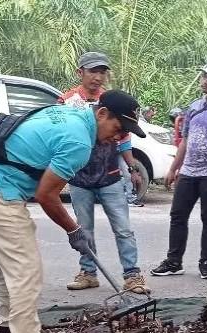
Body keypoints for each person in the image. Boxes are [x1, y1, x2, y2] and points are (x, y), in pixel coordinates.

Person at [0, 90, 146, 333]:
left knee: (8, 264)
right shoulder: (78, 142)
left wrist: (73, 230)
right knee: (25, 270)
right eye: (118, 129)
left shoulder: (71, 114)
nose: (118, 138)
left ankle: (8, 326)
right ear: (102, 113)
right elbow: (47, 195)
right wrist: (74, 231)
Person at [59, 52, 150, 294]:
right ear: (81, 73)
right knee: (84, 229)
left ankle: (132, 276)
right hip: (80, 177)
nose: (98, 77)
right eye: (93, 71)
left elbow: (123, 141)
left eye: (102, 72)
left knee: (123, 228)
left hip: (109, 175)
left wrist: (132, 168)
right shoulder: (67, 101)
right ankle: (88, 272)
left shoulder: (113, 102)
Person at [150, 61, 207, 279]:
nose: (205, 81)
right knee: (177, 216)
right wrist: (173, 169)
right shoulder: (194, 107)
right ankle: (174, 261)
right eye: (204, 77)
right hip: (189, 171)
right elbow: (185, 142)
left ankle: (206, 262)